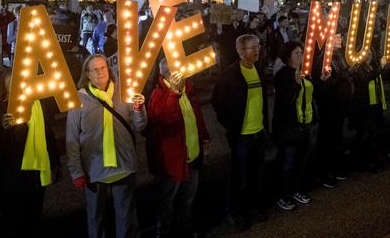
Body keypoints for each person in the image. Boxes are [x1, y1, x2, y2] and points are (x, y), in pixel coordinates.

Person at [66, 54, 147, 238]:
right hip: (94, 170)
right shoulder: (79, 99)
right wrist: (76, 171)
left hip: (123, 166)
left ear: (109, 70)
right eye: (94, 69)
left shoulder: (124, 92)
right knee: (96, 219)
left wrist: (138, 109)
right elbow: (71, 139)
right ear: (87, 74)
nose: (100, 72)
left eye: (103, 68)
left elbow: (139, 126)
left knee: (125, 218)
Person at [0, 68, 60, 237]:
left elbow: (48, 135)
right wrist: (2, 126)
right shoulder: (0, 109)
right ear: (3, 86)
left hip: (35, 175)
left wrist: (55, 163)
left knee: (34, 219)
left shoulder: (38, 104)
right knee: (13, 222)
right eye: (12, 82)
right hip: (11, 178)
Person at [145, 58, 211, 237]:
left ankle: (185, 229)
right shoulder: (158, 94)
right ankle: (164, 233)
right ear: (168, 74)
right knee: (167, 200)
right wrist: (173, 93)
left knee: (187, 198)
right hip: (171, 161)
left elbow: (196, 116)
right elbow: (165, 120)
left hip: (192, 155)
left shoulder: (188, 90)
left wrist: (204, 136)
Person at [211, 34, 269, 231]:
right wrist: (232, 126)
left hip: (259, 132)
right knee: (239, 177)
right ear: (240, 51)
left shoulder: (258, 70)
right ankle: (234, 212)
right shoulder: (229, 75)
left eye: (258, 46)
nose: (257, 50)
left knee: (256, 174)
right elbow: (217, 103)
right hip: (241, 136)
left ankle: (252, 207)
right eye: (252, 48)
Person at [272, 41, 318, 211]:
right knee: (287, 163)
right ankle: (281, 195)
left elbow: (312, 95)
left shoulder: (305, 73)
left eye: (302, 52)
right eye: (297, 53)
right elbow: (285, 101)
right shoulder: (282, 75)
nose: (301, 55)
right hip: (288, 128)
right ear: (287, 56)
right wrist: (295, 84)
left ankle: (297, 189)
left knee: (302, 161)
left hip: (306, 124)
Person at [312, 32, 351, 188]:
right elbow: (321, 86)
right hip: (329, 107)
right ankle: (323, 173)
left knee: (336, 138)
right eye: (336, 37)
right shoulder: (324, 60)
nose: (340, 39)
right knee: (327, 139)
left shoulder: (338, 56)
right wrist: (341, 78)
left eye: (340, 36)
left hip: (339, 106)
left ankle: (333, 168)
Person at [348, 49, 386, 172]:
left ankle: (369, 160)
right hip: (364, 107)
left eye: (370, 53)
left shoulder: (374, 66)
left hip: (376, 104)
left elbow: (384, 76)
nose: (368, 56)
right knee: (363, 134)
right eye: (365, 54)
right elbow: (366, 79)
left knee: (373, 134)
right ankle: (359, 161)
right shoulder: (359, 68)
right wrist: (381, 67)